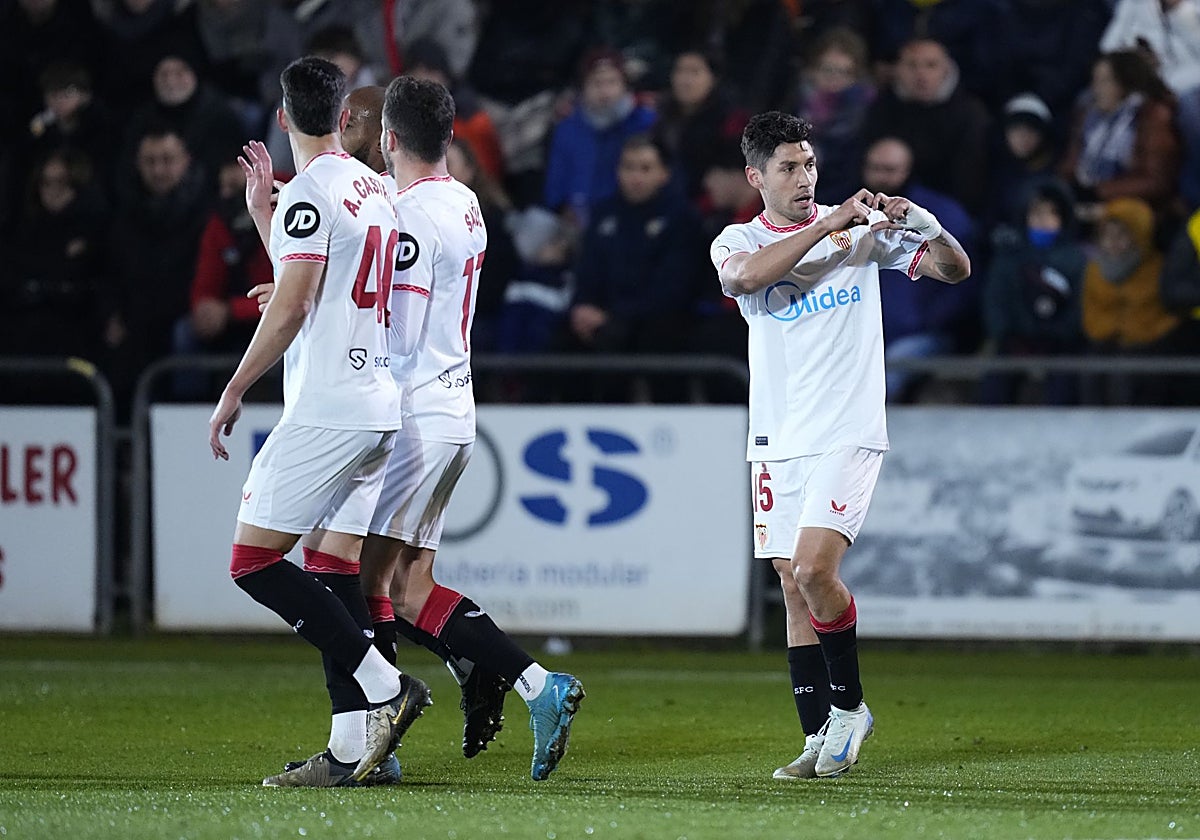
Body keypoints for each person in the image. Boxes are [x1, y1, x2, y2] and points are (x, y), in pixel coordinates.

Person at [259, 76, 585, 786]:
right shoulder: (466, 203)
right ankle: (514, 685)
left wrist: (312, 308)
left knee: (351, 576)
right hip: (455, 410)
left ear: (388, 139)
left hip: (407, 415)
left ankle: (386, 734)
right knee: (408, 587)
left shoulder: (407, 217)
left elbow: (390, 326)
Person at [710, 112, 969, 779]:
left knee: (813, 570)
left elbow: (954, 269)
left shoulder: (861, 233)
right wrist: (827, 226)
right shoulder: (736, 239)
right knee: (789, 585)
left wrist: (925, 224)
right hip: (776, 437)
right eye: (789, 168)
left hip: (847, 431)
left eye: (810, 164)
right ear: (756, 176)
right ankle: (818, 732)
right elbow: (743, 280)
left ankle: (851, 709)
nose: (804, 178)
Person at [208, 56, 429, 788]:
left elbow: (297, 305)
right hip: (378, 403)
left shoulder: (309, 194)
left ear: (281, 119)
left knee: (251, 561)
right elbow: (329, 280)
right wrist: (266, 219)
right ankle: (354, 751)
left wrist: (236, 386)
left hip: (329, 405)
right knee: (330, 570)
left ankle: (386, 686)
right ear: (342, 118)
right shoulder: (374, 188)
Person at [859, 136, 978, 402]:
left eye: (889, 169)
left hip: (920, 334)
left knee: (883, 382)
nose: (880, 177)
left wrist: (929, 321)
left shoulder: (938, 214)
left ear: (908, 170)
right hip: (865, 330)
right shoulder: (851, 215)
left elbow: (963, 280)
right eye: (874, 167)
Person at [980, 179, 1087, 405]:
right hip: (1014, 343)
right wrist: (1009, 336)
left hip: (1060, 346)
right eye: (1036, 214)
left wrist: (1057, 335)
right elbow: (996, 303)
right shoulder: (1008, 258)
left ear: (1063, 218)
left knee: (1064, 385)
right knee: (994, 385)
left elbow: (1080, 308)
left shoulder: (1077, 260)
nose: (1043, 221)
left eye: (1051, 215)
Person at [860, 37, 991, 215]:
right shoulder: (881, 107)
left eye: (931, 65)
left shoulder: (970, 114)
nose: (921, 74)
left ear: (946, 70)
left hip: (948, 209)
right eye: (912, 65)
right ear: (897, 69)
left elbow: (970, 179)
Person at [1060, 50, 1183, 227]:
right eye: (1095, 80)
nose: (1096, 88)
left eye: (1105, 81)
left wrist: (1099, 192)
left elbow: (1156, 182)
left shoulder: (1152, 117)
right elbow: (1071, 164)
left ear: (1126, 83)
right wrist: (1063, 188)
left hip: (1140, 210)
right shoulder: (1088, 116)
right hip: (1091, 201)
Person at [542, 47, 656, 230]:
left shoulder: (644, 123)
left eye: (612, 82)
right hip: (577, 222)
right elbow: (556, 183)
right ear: (583, 87)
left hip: (632, 220)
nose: (605, 92)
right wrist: (563, 207)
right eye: (597, 83)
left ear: (624, 85)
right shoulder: (567, 128)